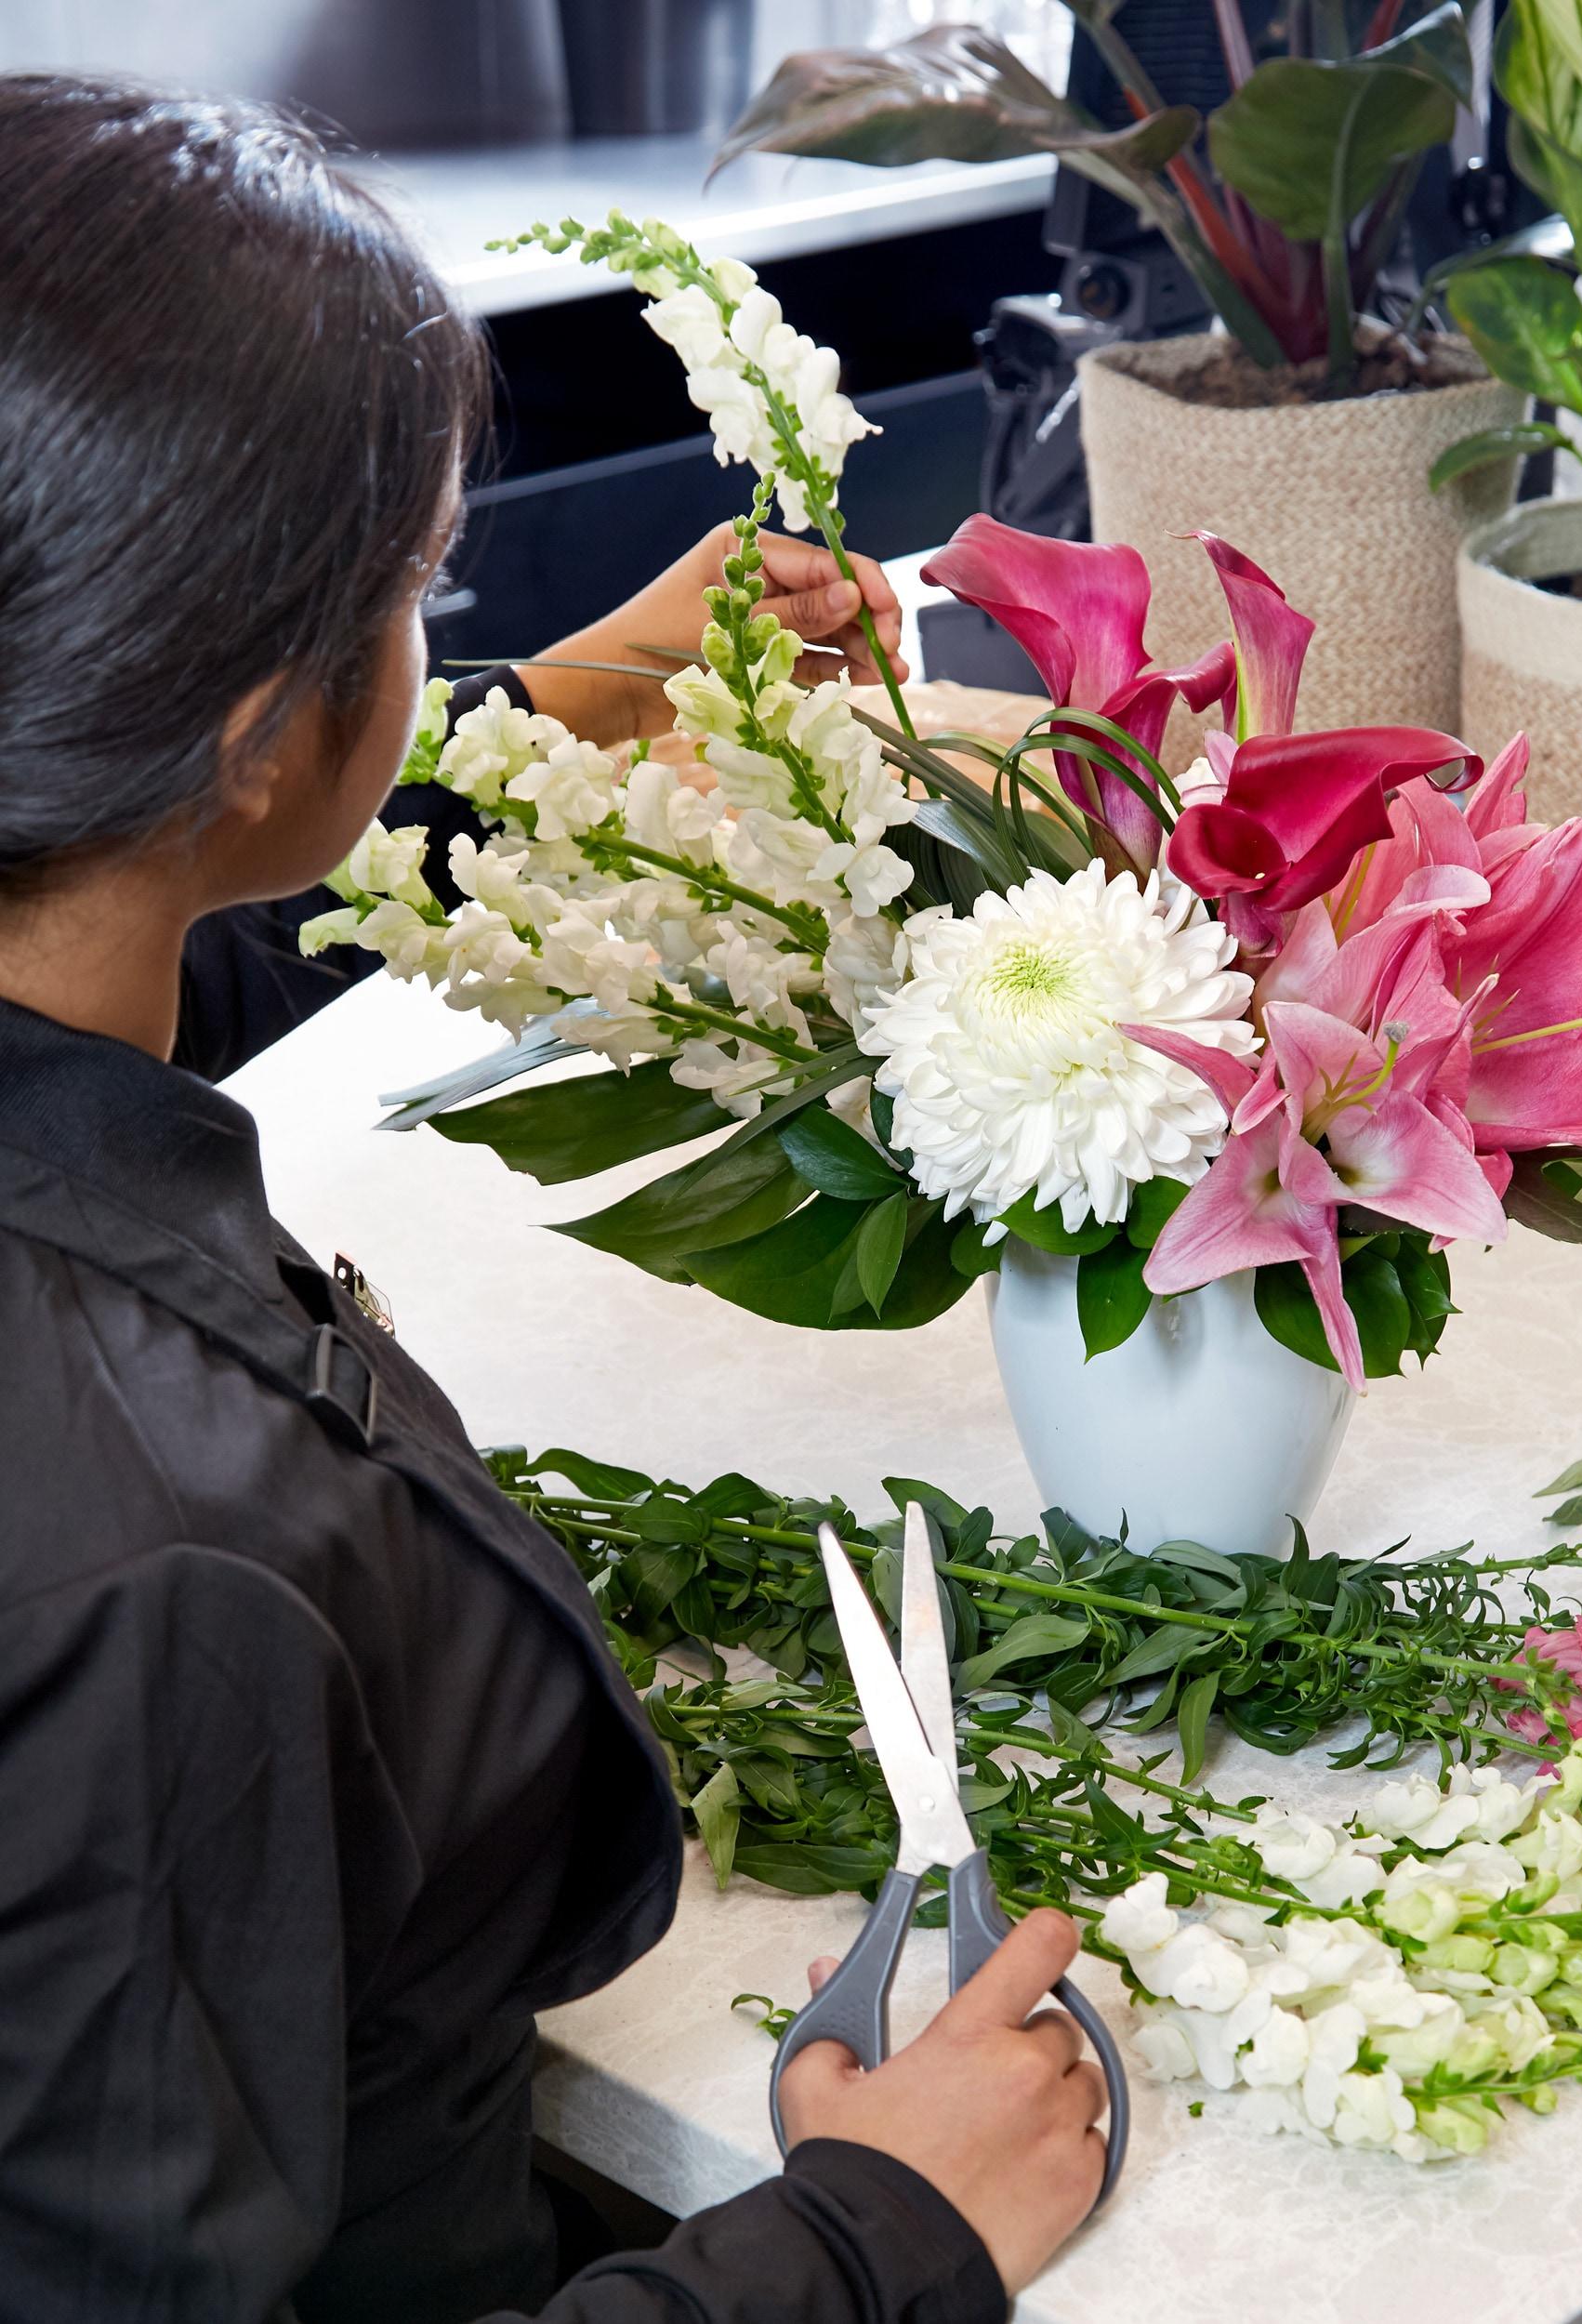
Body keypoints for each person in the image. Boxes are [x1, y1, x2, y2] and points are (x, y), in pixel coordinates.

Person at [0, 74, 1109, 2324]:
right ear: (238, 734)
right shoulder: (154, 1564)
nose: (437, 624)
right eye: (416, 589)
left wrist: (563, 714)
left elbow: (139, 914)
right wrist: (864, 2236)